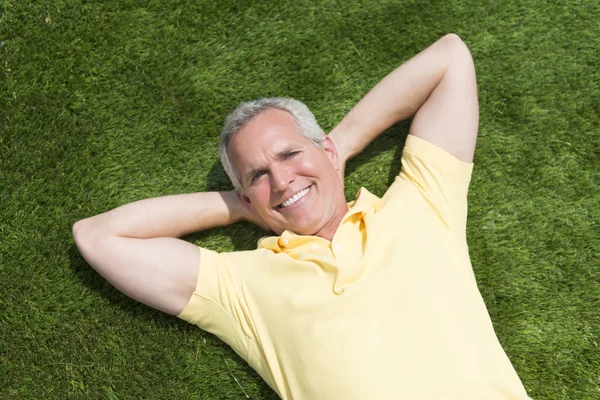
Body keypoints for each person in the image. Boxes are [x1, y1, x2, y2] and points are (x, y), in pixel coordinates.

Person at [73, 34, 531, 399]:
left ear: (324, 148)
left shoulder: (421, 203)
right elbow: (97, 236)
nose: (283, 179)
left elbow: (450, 58)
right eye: (259, 174)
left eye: (292, 153)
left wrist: (340, 147)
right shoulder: (242, 287)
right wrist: (241, 205)